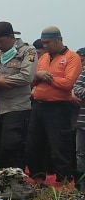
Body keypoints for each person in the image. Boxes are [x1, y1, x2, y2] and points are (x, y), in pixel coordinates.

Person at [26, 26, 81, 183]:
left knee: (59, 145)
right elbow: (31, 80)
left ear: (59, 40)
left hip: (58, 107)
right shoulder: (43, 57)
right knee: (34, 143)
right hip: (38, 105)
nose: (45, 46)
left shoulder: (72, 57)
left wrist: (47, 78)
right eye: (43, 42)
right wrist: (39, 75)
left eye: (48, 42)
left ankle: (63, 180)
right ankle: (38, 178)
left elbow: (68, 83)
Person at [0, 21, 37, 170]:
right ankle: (0, 181)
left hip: (17, 107)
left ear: (11, 36)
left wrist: (4, 81)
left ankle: (15, 182)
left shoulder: (28, 51)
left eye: (0, 41)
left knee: (12, 146)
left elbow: (27, 76)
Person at [72, 48, 85, 190]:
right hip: (82, 122)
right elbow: (77, 88)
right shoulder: (84, 71)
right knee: (80, 155)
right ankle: (82, 189)